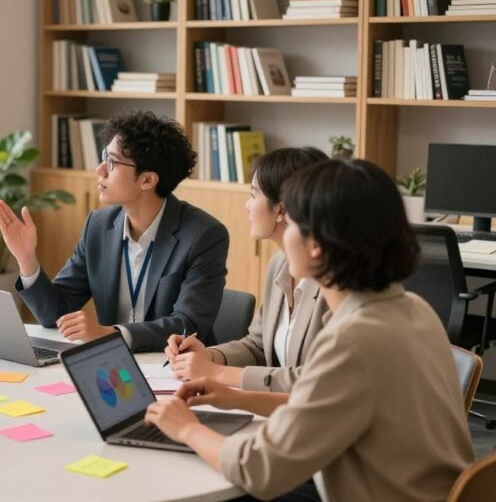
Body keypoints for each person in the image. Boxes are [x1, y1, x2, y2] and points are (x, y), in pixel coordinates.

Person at [145, 159, 473, 502]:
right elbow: (324, 404)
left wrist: (187, 428)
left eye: (294, 223)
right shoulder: (413, 309)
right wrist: (238, 399)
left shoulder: (353, 340)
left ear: (315, 244)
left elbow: (258, 469)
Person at [0, 111, 228, 351]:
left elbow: (187, 325)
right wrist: (26, 258)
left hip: (177, 370)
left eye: (113, 162)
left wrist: (111, 334)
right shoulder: (99, 226)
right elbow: (56, 312)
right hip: (115, 365)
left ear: (147, 180)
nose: (99, 169)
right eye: (105, 156)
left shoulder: (204, 236)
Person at [165, 147, 329, 392]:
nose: (246, 206)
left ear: (281, 209)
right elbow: (257, 346)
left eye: (253, 195)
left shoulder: (336, 284)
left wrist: (219, 373)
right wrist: (209, 357)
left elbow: (317, 380)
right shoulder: (279, 265)